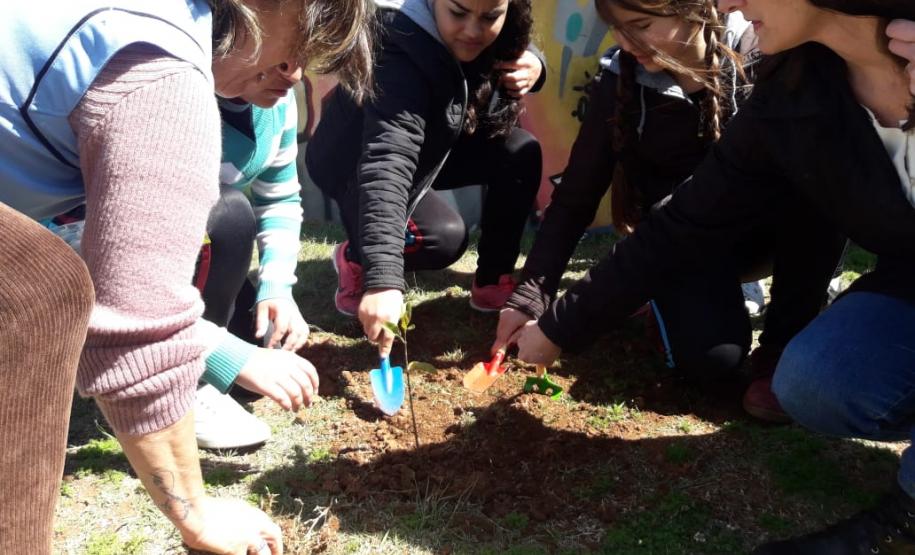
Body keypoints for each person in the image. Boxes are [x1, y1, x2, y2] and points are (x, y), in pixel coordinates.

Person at [505, 0, 915, 551]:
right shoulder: (796, 84)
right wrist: (559, 323)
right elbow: (682, 220)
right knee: (813, 381)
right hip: (879, 278)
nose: (728, 3)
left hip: (781, 248)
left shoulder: (761, 62)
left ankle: (904, 521)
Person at [0, 1, 373, 553]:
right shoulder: (160, 70)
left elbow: (278, 198)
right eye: (294, 50)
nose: (294, 73)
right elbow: (135, 322)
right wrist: (196, 515)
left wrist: (275, 286)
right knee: (43, 291)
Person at [491, 0, 845, 423]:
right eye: (616, 27)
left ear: (695, 8)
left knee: (817, 191)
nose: (627, 42)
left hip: (765, 233)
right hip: (676, 242)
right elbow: (575, 198)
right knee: (713, 359)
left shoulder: (763, 58)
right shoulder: (620, 78)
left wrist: (563, 325)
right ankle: (662, 303)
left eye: (641, 24)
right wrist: (531, 295)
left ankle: (782, 345)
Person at [305, 0, 546, 359]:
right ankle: (356, 257)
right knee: (440, 238)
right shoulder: (396, 44)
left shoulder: (497, 24)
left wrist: (535, 63)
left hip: (431, 146)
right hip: (354, 160)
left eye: (489, 17)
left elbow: (515, 39)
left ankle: (492, 280)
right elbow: (388, 160)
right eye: (458, 13)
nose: (473, 31)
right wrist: (383, 278)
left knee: (519, 152)